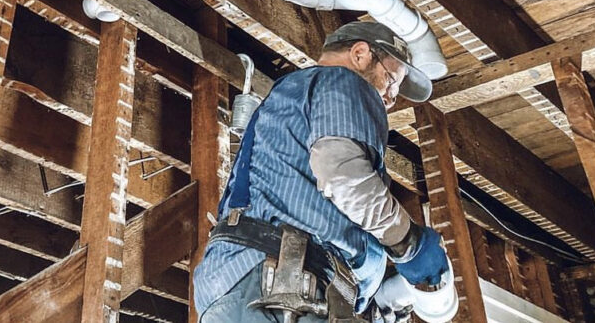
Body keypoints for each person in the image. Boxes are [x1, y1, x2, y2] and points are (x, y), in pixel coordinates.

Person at [192, 21, 450, 322]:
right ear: (360, 54)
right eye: (391, 80)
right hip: (281, 283)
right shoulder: (344, 82)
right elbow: (343, 175)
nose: (392, 98)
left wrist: (373, 299)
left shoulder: (292, 97)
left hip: (245, 284)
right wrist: (408, 244)